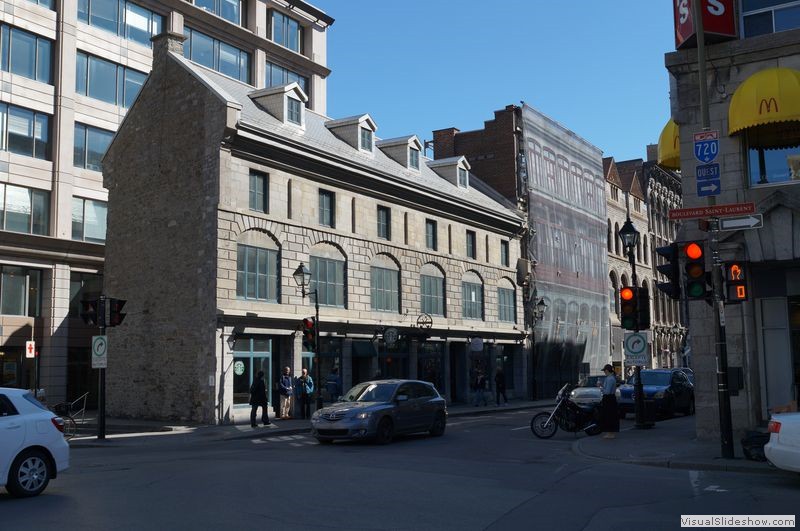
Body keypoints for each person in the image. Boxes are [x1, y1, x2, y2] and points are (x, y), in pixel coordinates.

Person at [598, 364, 619, 439]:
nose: (604, 372)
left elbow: (607, 391)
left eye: (604, 371)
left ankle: (610, 433)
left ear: (607, 370)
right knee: (610, 415)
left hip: (609, 398)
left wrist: (600, 387)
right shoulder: (610, 378)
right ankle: (610, 433)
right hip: (610, 398)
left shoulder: (610, 379)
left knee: (609, 416)